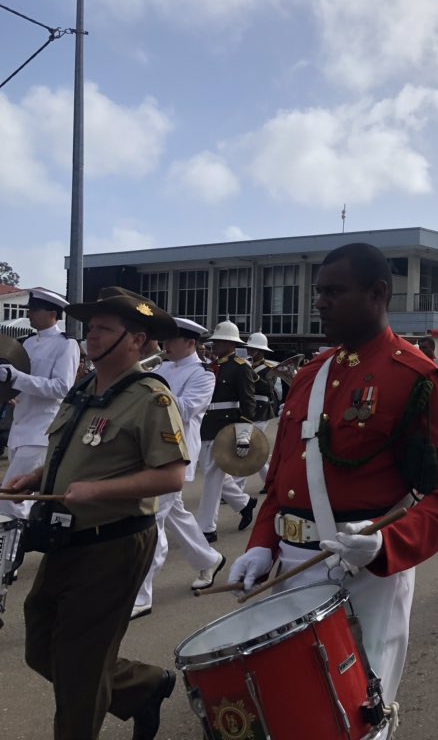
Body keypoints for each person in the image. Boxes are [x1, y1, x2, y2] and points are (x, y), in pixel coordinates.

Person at [228, 243, 438, 706]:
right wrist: (262, 543)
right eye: (319, 291)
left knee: (359, 709)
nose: (320, 301)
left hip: (368, 570)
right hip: (292, 564)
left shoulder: (415, 377)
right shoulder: (310, 375)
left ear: (378, 293)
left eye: (335, 291)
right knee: (296, 704)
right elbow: (282, 478)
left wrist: (387, 544)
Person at [1, 287, 188, 740]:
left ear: (137, 339)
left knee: (81, 666)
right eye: (92, 327)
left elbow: (172, 477)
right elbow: (73, 449)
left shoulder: (150, 397)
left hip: (114, 542)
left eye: (105, 328)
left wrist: (99, 490)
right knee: (42, 645)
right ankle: (142, 686)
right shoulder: (86, 385)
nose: (92, 335)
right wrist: (40, 477)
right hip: (68, 537)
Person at [132, 317, 223, 620]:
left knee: (153, 520)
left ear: (190, 343)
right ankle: (208, 558)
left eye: (171, 340)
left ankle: (141, 595)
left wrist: (150, 387)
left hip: (177, 455)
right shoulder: (163, 368)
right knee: (175, 514)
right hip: (152, 452)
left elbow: (184, 409)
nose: (165, 346)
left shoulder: (203, 375)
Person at [0, 288, 80, 519]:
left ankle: (11, 553)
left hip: (40, 431)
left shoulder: (66, 345)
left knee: (11, 499)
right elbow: (22, 382)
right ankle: (16, 549)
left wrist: (17, 378)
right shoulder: (26, 344)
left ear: (52, 313)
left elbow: (62, 388)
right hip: (20, 428)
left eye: (35, 310)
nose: (30, 314)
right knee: (20, 500)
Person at [195, 320, 258, 542]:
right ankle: (245, 503)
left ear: (231, 344)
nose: (215, 346)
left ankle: (206, 528)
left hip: (225, 428)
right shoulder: (211, 366)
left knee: (213, 475)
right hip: (207, 426)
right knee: (211, 471)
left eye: (220, 342)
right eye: (215, 342)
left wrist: (242, 435)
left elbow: (248, 403)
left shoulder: (241, 367)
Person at [245, 331, 279, 491]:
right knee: (252, 451)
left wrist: (253, 375)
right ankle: (271, 482)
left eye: (253, 349)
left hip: (261, 410)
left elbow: (268, 389)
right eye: (249, 348)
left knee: (246, 449)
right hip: (247, 411)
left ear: (261, 351)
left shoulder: (270, 368)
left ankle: (237, 488)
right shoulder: (245, 364)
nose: (249, 351)